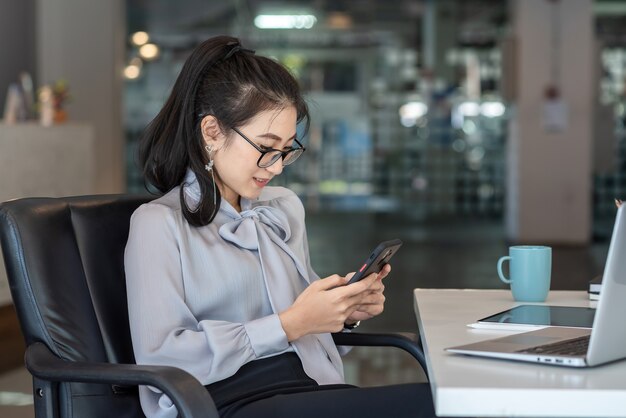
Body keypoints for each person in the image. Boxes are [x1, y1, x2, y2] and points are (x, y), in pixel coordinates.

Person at [125, 35, 437, 418]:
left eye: (287, 149)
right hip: (224, 402)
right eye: (265, 147)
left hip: (304, 385)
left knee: (445, 400)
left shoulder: (282, 208)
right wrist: (290, 324)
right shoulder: (157, 224)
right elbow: (163, 355)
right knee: (433, 404)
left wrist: (344, 312)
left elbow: (309, 331)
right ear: (211, 132)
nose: (275, 166)